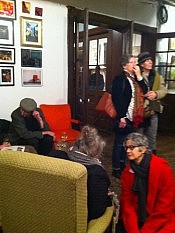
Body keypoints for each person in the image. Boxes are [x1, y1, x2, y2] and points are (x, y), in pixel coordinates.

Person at [49, 125, 112, 221]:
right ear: (95, 153)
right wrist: (107, 198)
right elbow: (96, 211)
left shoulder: (55, 156)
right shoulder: (96, 173)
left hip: (52, 209)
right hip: (76, 219)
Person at [120, 132, 175, 233]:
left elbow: (165, 206)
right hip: (137, 219)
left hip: (161, 220)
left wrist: (146, 231)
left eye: (132, 147)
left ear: (143, 149)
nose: (127, 151)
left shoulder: (162, 169)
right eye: (126, 147)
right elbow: (127, 204)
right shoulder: (127, 173)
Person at [111, 54, 148, 178]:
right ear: (124, 65)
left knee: (127, 143)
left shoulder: (135, 78)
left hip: (134, 116)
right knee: (119, 143)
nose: (135, 65)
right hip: (123, 116)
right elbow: (117, 99)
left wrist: (139, 76)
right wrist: (121, 117)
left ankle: (122, 164)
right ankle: (116, 168)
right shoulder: (120, 79)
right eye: (132, 62)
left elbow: (145, 91)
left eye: (135, 62)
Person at [138, 52, 167, 154]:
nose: (150, 62)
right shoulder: (137, 75)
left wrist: (156, 93)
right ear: (142, 64)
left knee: (152, 136)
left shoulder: (157, 76)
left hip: (153, 109)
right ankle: (140, 157)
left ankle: (151, 158)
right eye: (147, 60)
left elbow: (164, 90)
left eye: (151, 60)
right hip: (140, 110)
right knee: (139, 136)